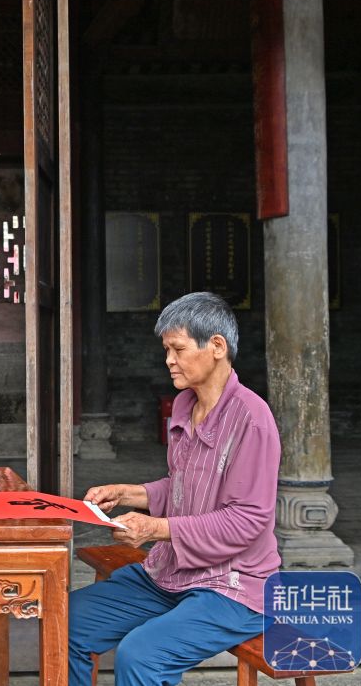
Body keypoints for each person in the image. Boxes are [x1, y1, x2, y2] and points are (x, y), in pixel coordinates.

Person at [69, 291, 281, 686]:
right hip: (172, 572)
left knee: (143, 655)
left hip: (233, 587)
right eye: (167, 349)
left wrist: (153, 529)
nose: (169, 359)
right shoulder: (185, 406)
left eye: (178, 348)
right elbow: (185, 487)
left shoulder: (252, 420)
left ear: (216, 346)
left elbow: (246, 521)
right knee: (70, 622)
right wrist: (129, 493)